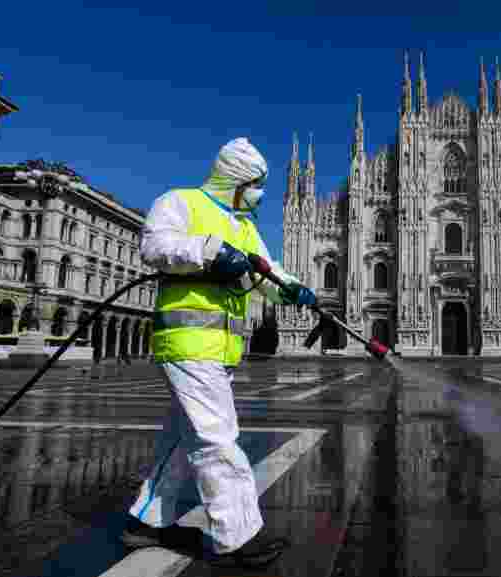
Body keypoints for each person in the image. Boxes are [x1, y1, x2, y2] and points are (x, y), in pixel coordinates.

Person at [119, 137, 316, 569]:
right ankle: (237, 535)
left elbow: (267, 272)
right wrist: (207, 252)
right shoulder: (182, 202)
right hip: (187, 343)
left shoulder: (243, 227)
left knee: (180, 439)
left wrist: (294, 289)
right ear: (235, 179)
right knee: (216, 437)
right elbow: (154, 245)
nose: (261, 193)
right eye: (257, 184)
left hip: (219, 350)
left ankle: (147, 521)